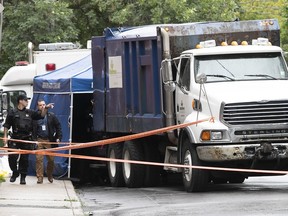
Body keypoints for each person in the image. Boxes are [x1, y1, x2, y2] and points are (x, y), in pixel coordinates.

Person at [3, 94, 54, 185]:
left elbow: (41, 115)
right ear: (20, 101)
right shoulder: (12, 112)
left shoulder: (30, 112)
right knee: (12, 157)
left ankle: (23, 177)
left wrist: (45, 108)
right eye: (26, 100)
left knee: (24, 159)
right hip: (15, 138)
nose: (27, 102)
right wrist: (5, 136)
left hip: (26, 139)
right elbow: (6, 125)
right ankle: (15, 172)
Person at [33, 99, 62, 184]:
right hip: (39, 140)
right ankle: (40, 177)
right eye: (40, 105)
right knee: (39, 159)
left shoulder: (51, 115)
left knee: (51, 160)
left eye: (43, 104)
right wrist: (34, 140)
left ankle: (49, 174)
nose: (42, 106)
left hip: (49, 140)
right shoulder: (35, 117)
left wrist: (58, 137)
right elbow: (31, 129)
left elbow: (58, 126)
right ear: (38, 107)